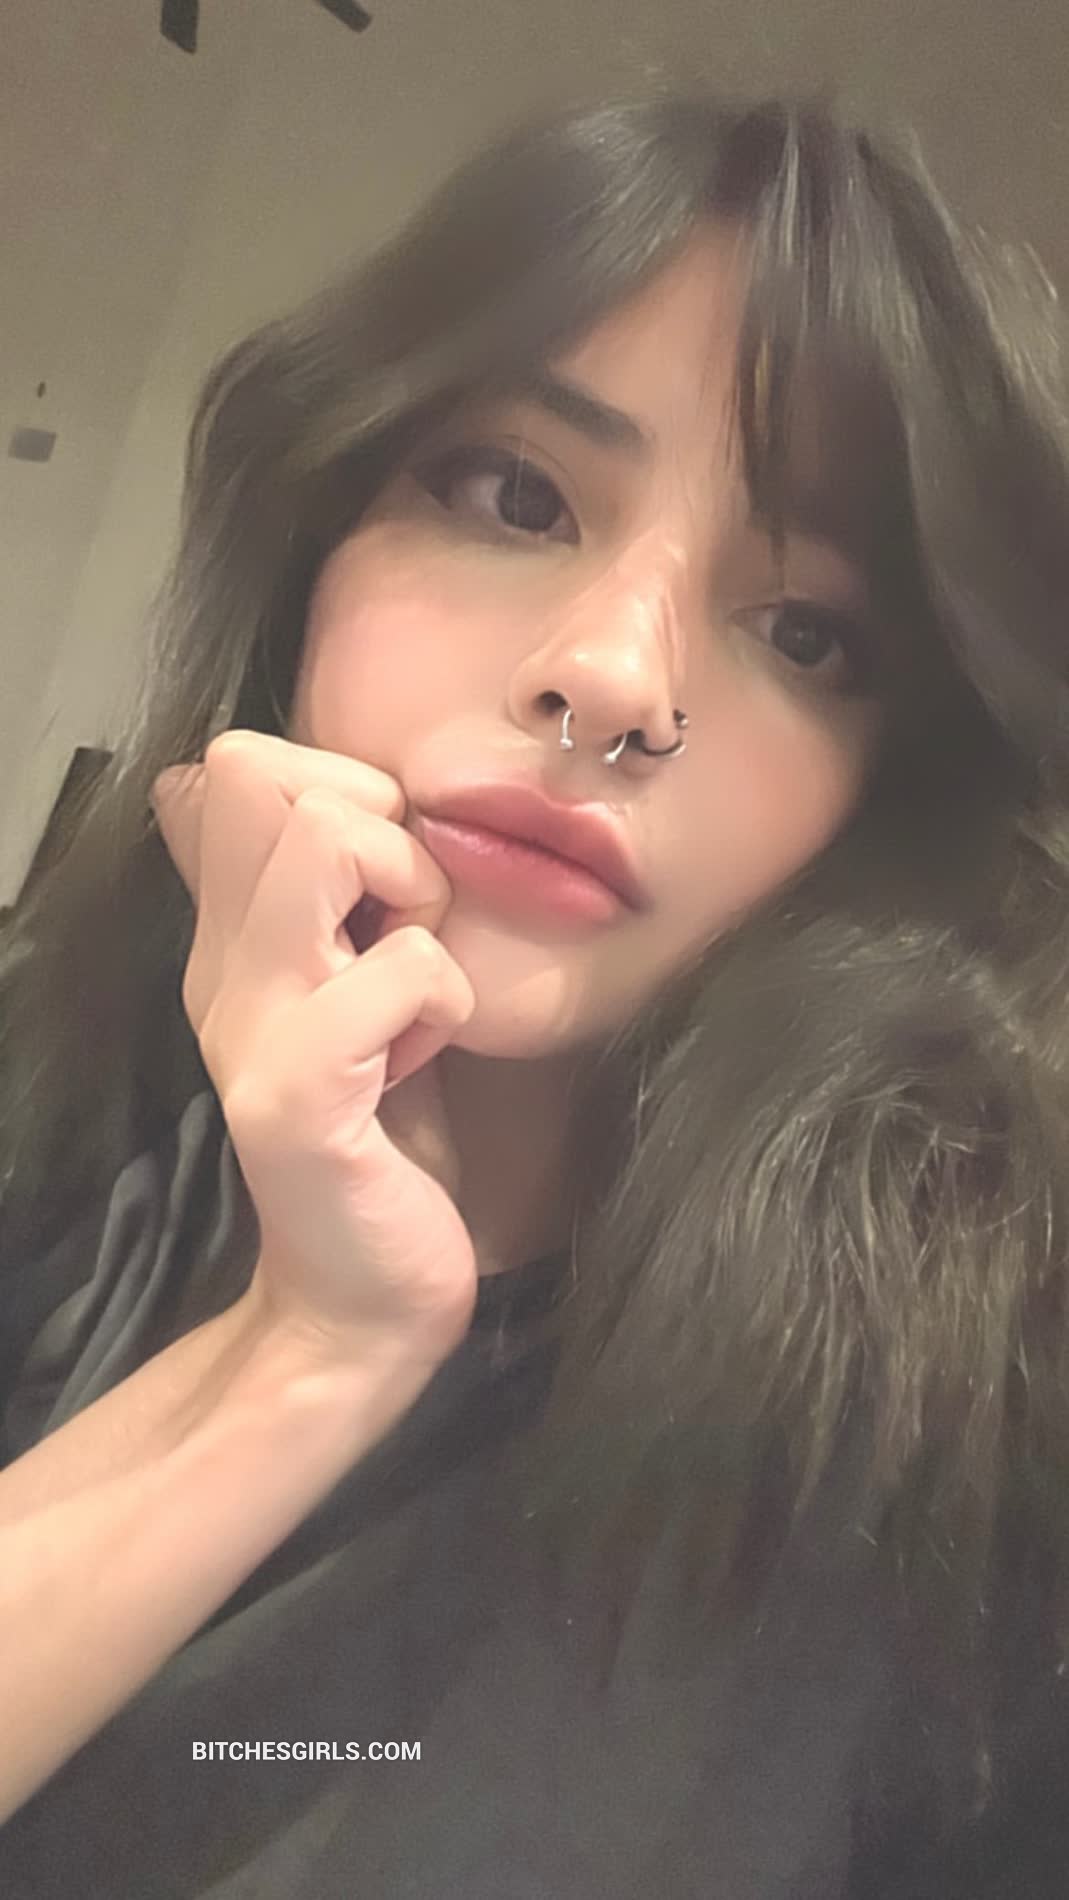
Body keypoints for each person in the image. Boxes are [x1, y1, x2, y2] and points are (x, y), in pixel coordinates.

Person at [1, 86, 1068, 1897]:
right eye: (514, 494)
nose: (616, 679)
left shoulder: (973, 1465)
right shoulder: (51, 1079)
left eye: (805, 631)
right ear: (318, 528)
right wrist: (309, 1350)